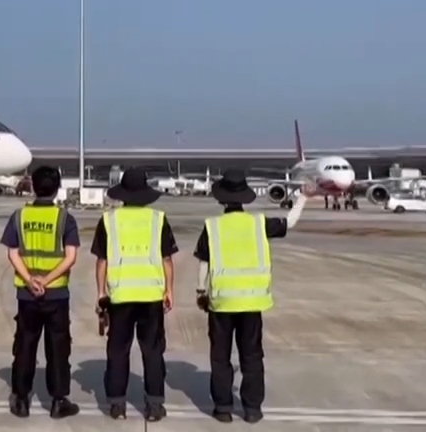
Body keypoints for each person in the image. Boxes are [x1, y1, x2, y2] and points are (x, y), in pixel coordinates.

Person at [194, 169, 303, 423]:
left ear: (221, 199)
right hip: (252, 301)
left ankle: (223, 408)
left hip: (221, 302)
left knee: (220, 356)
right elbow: (290, 222)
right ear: (245, 198)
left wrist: (201, 291)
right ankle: (252, 408)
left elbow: (204, 263)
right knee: (252, 356)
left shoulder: (213, 226)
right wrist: (304, 198)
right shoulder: (259, 223)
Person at [91, 167, 178, 422]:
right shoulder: (158, 219)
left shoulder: (109, 220)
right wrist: (169, 290)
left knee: (118, 350)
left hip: (120, 296)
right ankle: (154, 405)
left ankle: (117, 405)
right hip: (151, 296)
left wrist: (101, 293)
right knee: (153, 351)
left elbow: (102, 261)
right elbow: (167, 259)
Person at [0, 165, 81, 419]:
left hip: (27, 295)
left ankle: (21, 399)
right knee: (58, 348)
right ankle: (58, 401)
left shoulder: (19, 217)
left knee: (25, 345)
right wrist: (46, 280)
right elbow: (71, 257)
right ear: (57, 189)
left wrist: (30, 280)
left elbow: (12, 253)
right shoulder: (65, 219)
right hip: (56, 294)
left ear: (33, 187)